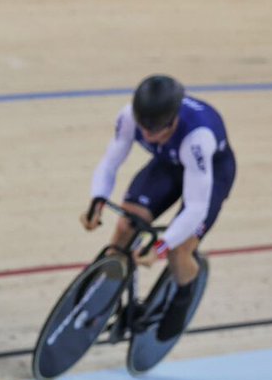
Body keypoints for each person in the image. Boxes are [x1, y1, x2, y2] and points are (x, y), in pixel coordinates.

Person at [81, 74, 235, 339]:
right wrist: (97, 199)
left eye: (157, 131)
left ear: (174, 119)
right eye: (144, 129)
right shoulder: (129, 116)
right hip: (168, 165)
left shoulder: (198, 138)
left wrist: (161, 246)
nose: (149, 136)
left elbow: (196, 208)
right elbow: (109, 163)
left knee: (179, 249)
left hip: (210, 175)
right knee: (125, 224)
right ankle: (108, 296)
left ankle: (184, 294)